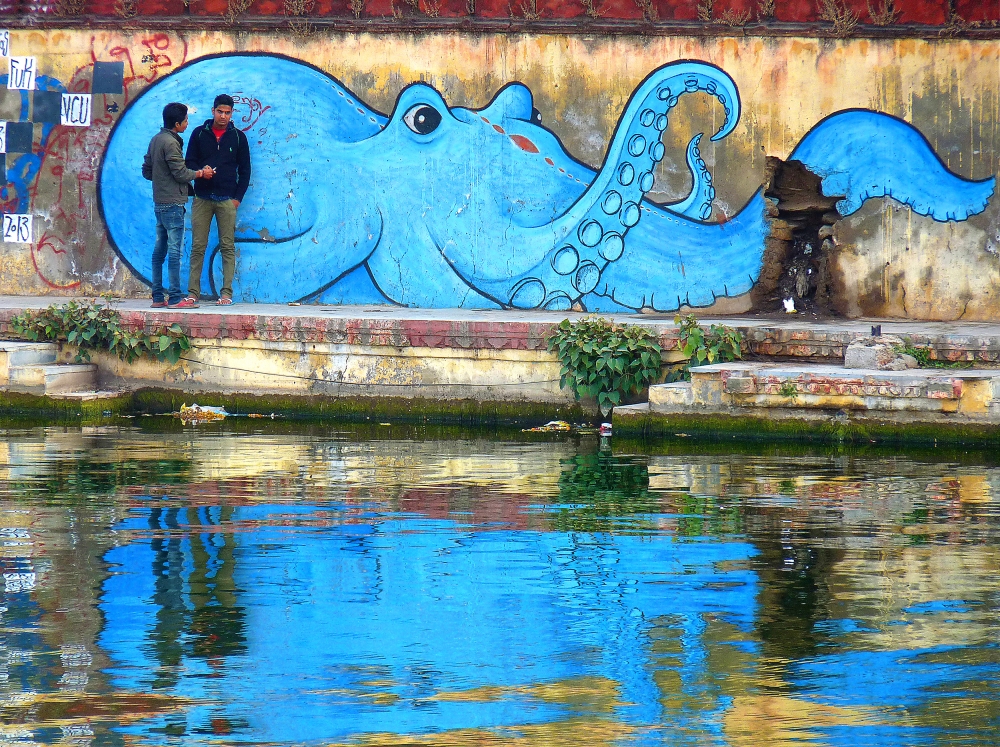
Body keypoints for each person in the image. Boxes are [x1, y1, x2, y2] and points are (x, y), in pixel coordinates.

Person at [141, 102, 214, 309]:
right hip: (173, 203)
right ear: (177, 123)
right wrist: (201, 174)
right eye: (185, 121)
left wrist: (161, 178)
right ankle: (174, 298)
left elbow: (147, 171)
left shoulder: (156, 139)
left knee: (159, 250)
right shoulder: (171, 143)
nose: (187, 124)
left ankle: (157, 297)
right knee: (174, 252)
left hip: (159, 202)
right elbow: (181, 173)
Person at [183, 94, 252, 306]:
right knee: (198, 246)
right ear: (213, 111)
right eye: (220, 112)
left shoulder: (238, 137)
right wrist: (200, 171)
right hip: (202, 198)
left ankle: (226, 294)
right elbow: (189, 161)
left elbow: (245, 170)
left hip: (227, 200)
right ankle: (193, 293)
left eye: (227, 112)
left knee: (227, 247)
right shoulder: (199, 134)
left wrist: (237, 199)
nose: (223, 116)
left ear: (232, 114)